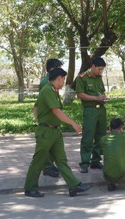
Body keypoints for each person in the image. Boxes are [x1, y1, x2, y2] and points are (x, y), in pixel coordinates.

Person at [24, 68, 90, 197]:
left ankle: (74, 186)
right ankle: (30, 188)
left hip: (55, 131)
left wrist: (40, 120)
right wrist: (72, 123)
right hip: (46, 132)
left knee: (61, 160)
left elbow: (36, 107)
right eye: (63, 79)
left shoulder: (53, 91)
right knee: (38, 160)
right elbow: (56, 111)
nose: (64, 82)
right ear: (58, 78)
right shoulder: (48, 90)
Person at [75, 57, 108, 173]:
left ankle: (96, 161)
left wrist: (104, 98)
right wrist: (95, 98)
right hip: (90, 110)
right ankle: (84, 163)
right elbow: (80, 94)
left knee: (101, 136)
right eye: (99, 69)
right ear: (93, 66)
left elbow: (102, 92)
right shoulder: (82, 78)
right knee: (88, 137)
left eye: (102, 70)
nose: (100, 72)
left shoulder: (99, 78)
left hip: (101, 110)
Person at [34, 58, 63, 178]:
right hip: (48, 117)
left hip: (51, 117)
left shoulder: (50, 80)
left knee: (51, 145)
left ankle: (50, 165)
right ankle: (47, 167)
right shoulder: (47, 82)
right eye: (59, 68)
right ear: (52, 69)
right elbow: (45, 101)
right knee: (46, 146)